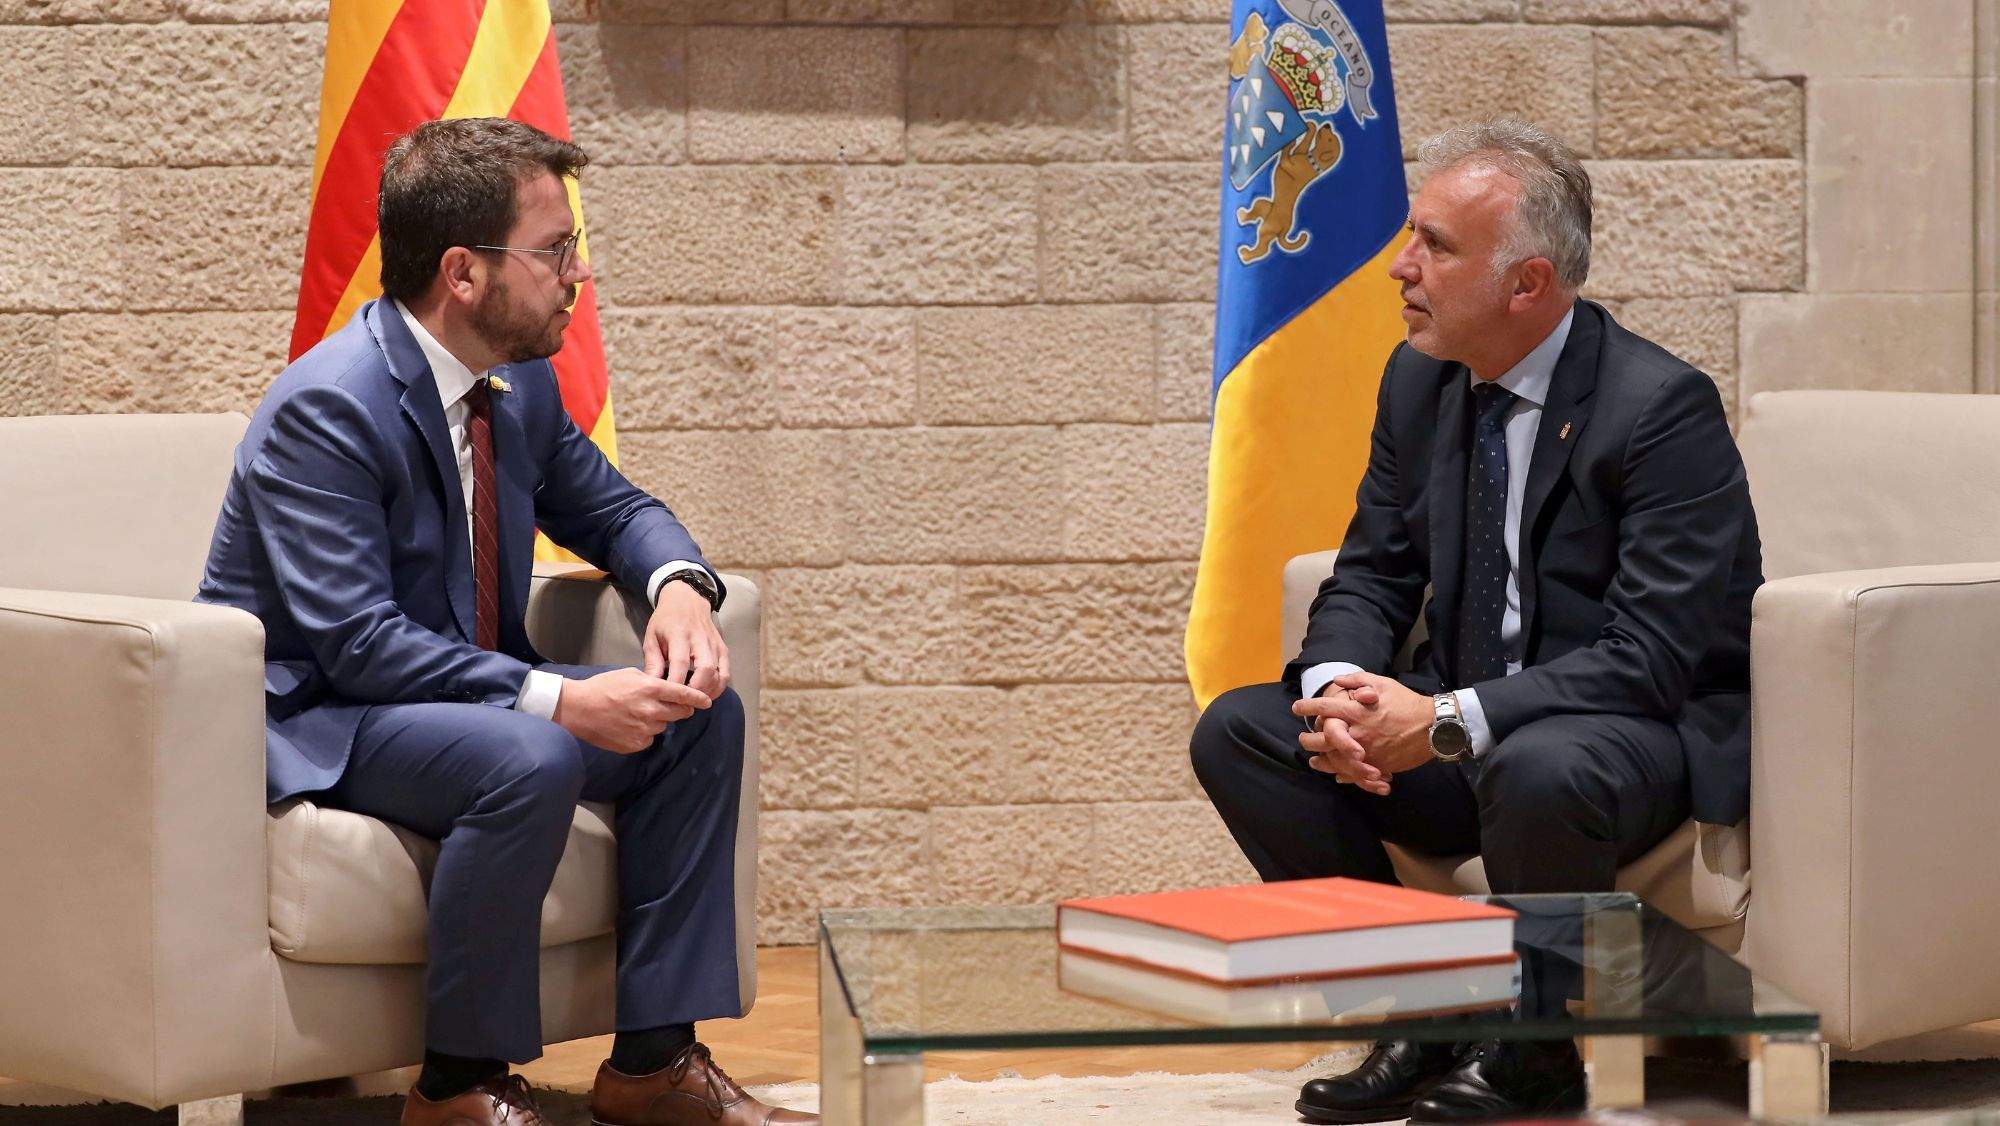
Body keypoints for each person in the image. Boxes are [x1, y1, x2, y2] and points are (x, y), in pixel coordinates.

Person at [197, 118, 815, 1126]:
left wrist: (674, 590)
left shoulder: (515, 383)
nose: (580, 272)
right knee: (528, 758)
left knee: (699, 717)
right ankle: (456, 1084)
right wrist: (564, 698)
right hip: (324, 714)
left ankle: (653, 1061)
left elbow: (614, 509)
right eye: (554, 250)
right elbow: (358, 642)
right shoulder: (327, 407)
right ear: (463, 273)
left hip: (456, 699)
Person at [1189, 117, 1762, 1124]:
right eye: (1411, 236)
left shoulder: (1660, 408)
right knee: (1242, 731)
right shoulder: (1419, 379)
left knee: (1534, 764)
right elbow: (1369, 573)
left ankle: (1534, 1048)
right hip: (1464, 732)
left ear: (1526, 285)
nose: (1399, 268)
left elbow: (1647, 658)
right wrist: (1338, 697)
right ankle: (1417, 1011)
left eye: (1434, 246)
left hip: (1624, 740)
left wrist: (1443, 718)